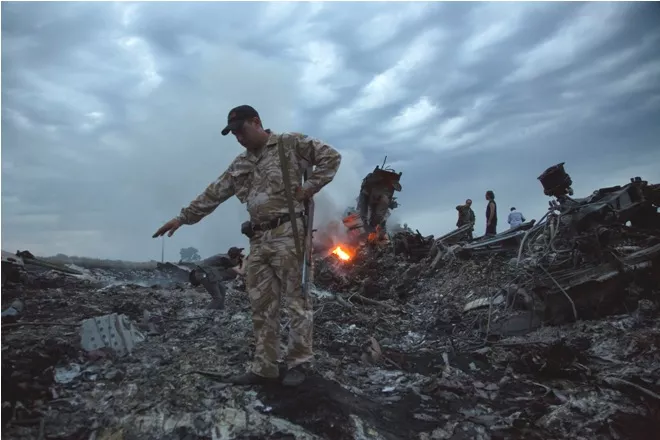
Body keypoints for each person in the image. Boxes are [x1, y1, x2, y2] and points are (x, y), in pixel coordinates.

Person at [152, 105, 341, 387]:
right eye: (234, 134)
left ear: (256, 122)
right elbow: (214, 192)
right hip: (258, 239)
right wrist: (182, 218)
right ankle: (265, 368)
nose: (238, 137)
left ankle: (300, 363)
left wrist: (310, 186)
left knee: (297, 302)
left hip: (289, 234)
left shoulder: (289, 144)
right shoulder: (240, 164)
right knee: (262, 305)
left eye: (241, 130)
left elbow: (331, 157)